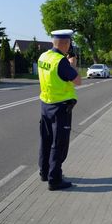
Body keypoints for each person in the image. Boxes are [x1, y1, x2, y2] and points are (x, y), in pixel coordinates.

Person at [38, 29, 81, 191]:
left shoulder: (43, 56)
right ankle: (55, 179)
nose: (70, 46)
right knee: (59, 143)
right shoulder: (61, 61)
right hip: (60, 107)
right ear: (65, 43)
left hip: (45, 104)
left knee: (46, 140)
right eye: (69, 43)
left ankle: (44, 172)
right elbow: (78, 81)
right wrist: (72, 65)